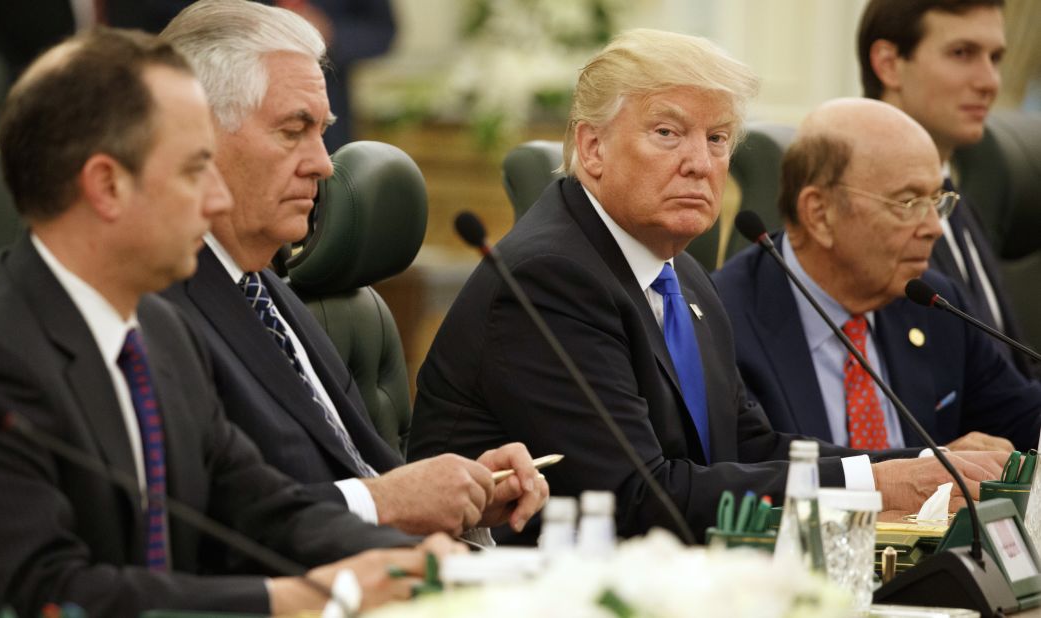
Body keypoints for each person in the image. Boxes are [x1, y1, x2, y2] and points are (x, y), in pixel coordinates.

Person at [408, 29, 1008, 543]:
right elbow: (640, 499)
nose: (700, 161)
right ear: (592, 148)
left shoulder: (680, 273)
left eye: (718, 138)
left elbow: (748, 445)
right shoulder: (549, 279)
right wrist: (879, 484)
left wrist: (926, 465)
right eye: (669, 133)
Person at [0, 28, 455, 617]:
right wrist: (293, 598)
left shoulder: (161, 335)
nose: (216, 202)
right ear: (107, 186)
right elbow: (50, 595)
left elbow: (267, 511)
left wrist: (430, 568)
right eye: (193, 172)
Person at [158, 0, 548, 542]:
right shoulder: (156, 304)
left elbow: (360, 475)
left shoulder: (269, 291)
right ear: (197, 134)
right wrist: (387, 502)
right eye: (293, 130)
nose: (323, 163)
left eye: (322, 131)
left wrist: (467, 489)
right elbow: (207, 524)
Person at [713, 97, 1041, 455]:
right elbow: (763, 468)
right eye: (910, 203)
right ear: (820, 214)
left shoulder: (933, 302)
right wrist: (922, 466)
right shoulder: (725, 320)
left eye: (937, 201)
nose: (934, 228)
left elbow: (1023, 419)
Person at [858, 0, 1039, 378]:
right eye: (962, 53)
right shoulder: (860, 221)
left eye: (995, 58)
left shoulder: (958, 199)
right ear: (889, 64)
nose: (990, 82)